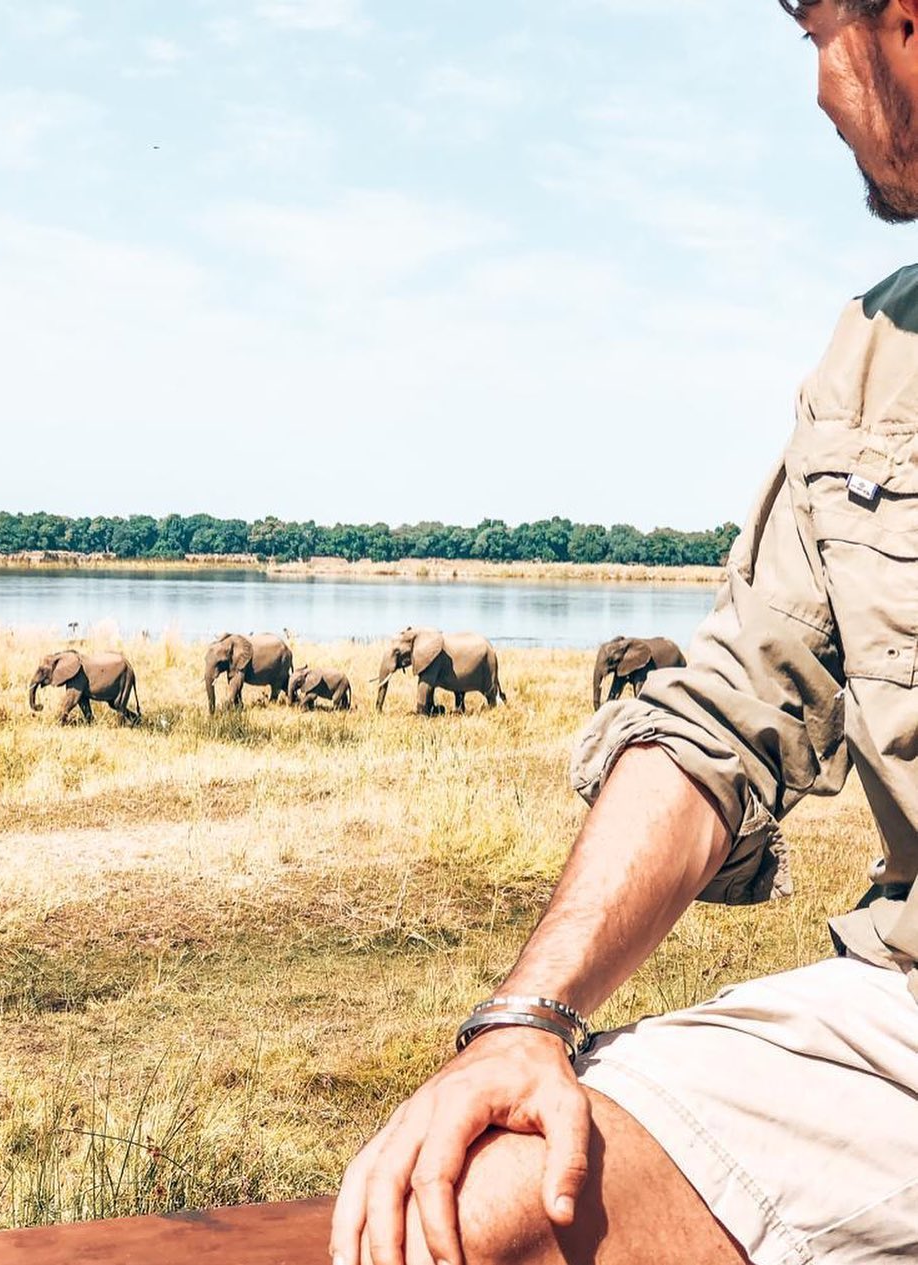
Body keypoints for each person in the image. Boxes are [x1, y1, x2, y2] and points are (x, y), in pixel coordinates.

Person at [329, 2, 918, 1262]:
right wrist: (525, 1017)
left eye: (816, 33)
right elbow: (726, 716)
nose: (819, 90)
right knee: (465, 1214)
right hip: (905, 1017)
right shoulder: (874, 358)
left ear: (901, 27)